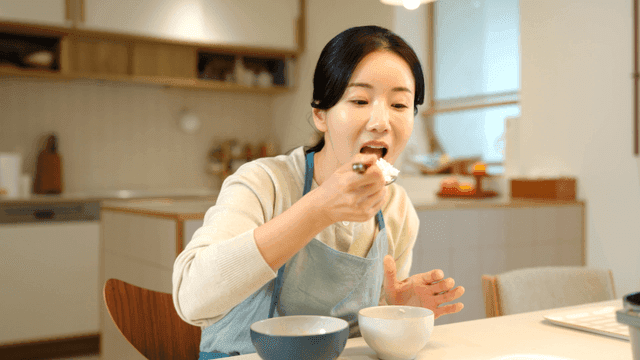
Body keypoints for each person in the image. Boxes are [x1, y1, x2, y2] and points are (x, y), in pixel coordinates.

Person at [172, 25, 465, 359]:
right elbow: (191, 299)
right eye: (359, 100)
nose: (381, 121)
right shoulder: (263, 183)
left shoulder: (396, 208)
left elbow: (364, 337)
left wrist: (393, 312)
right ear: (320, 114)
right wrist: (317, 210)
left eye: (399, 105)